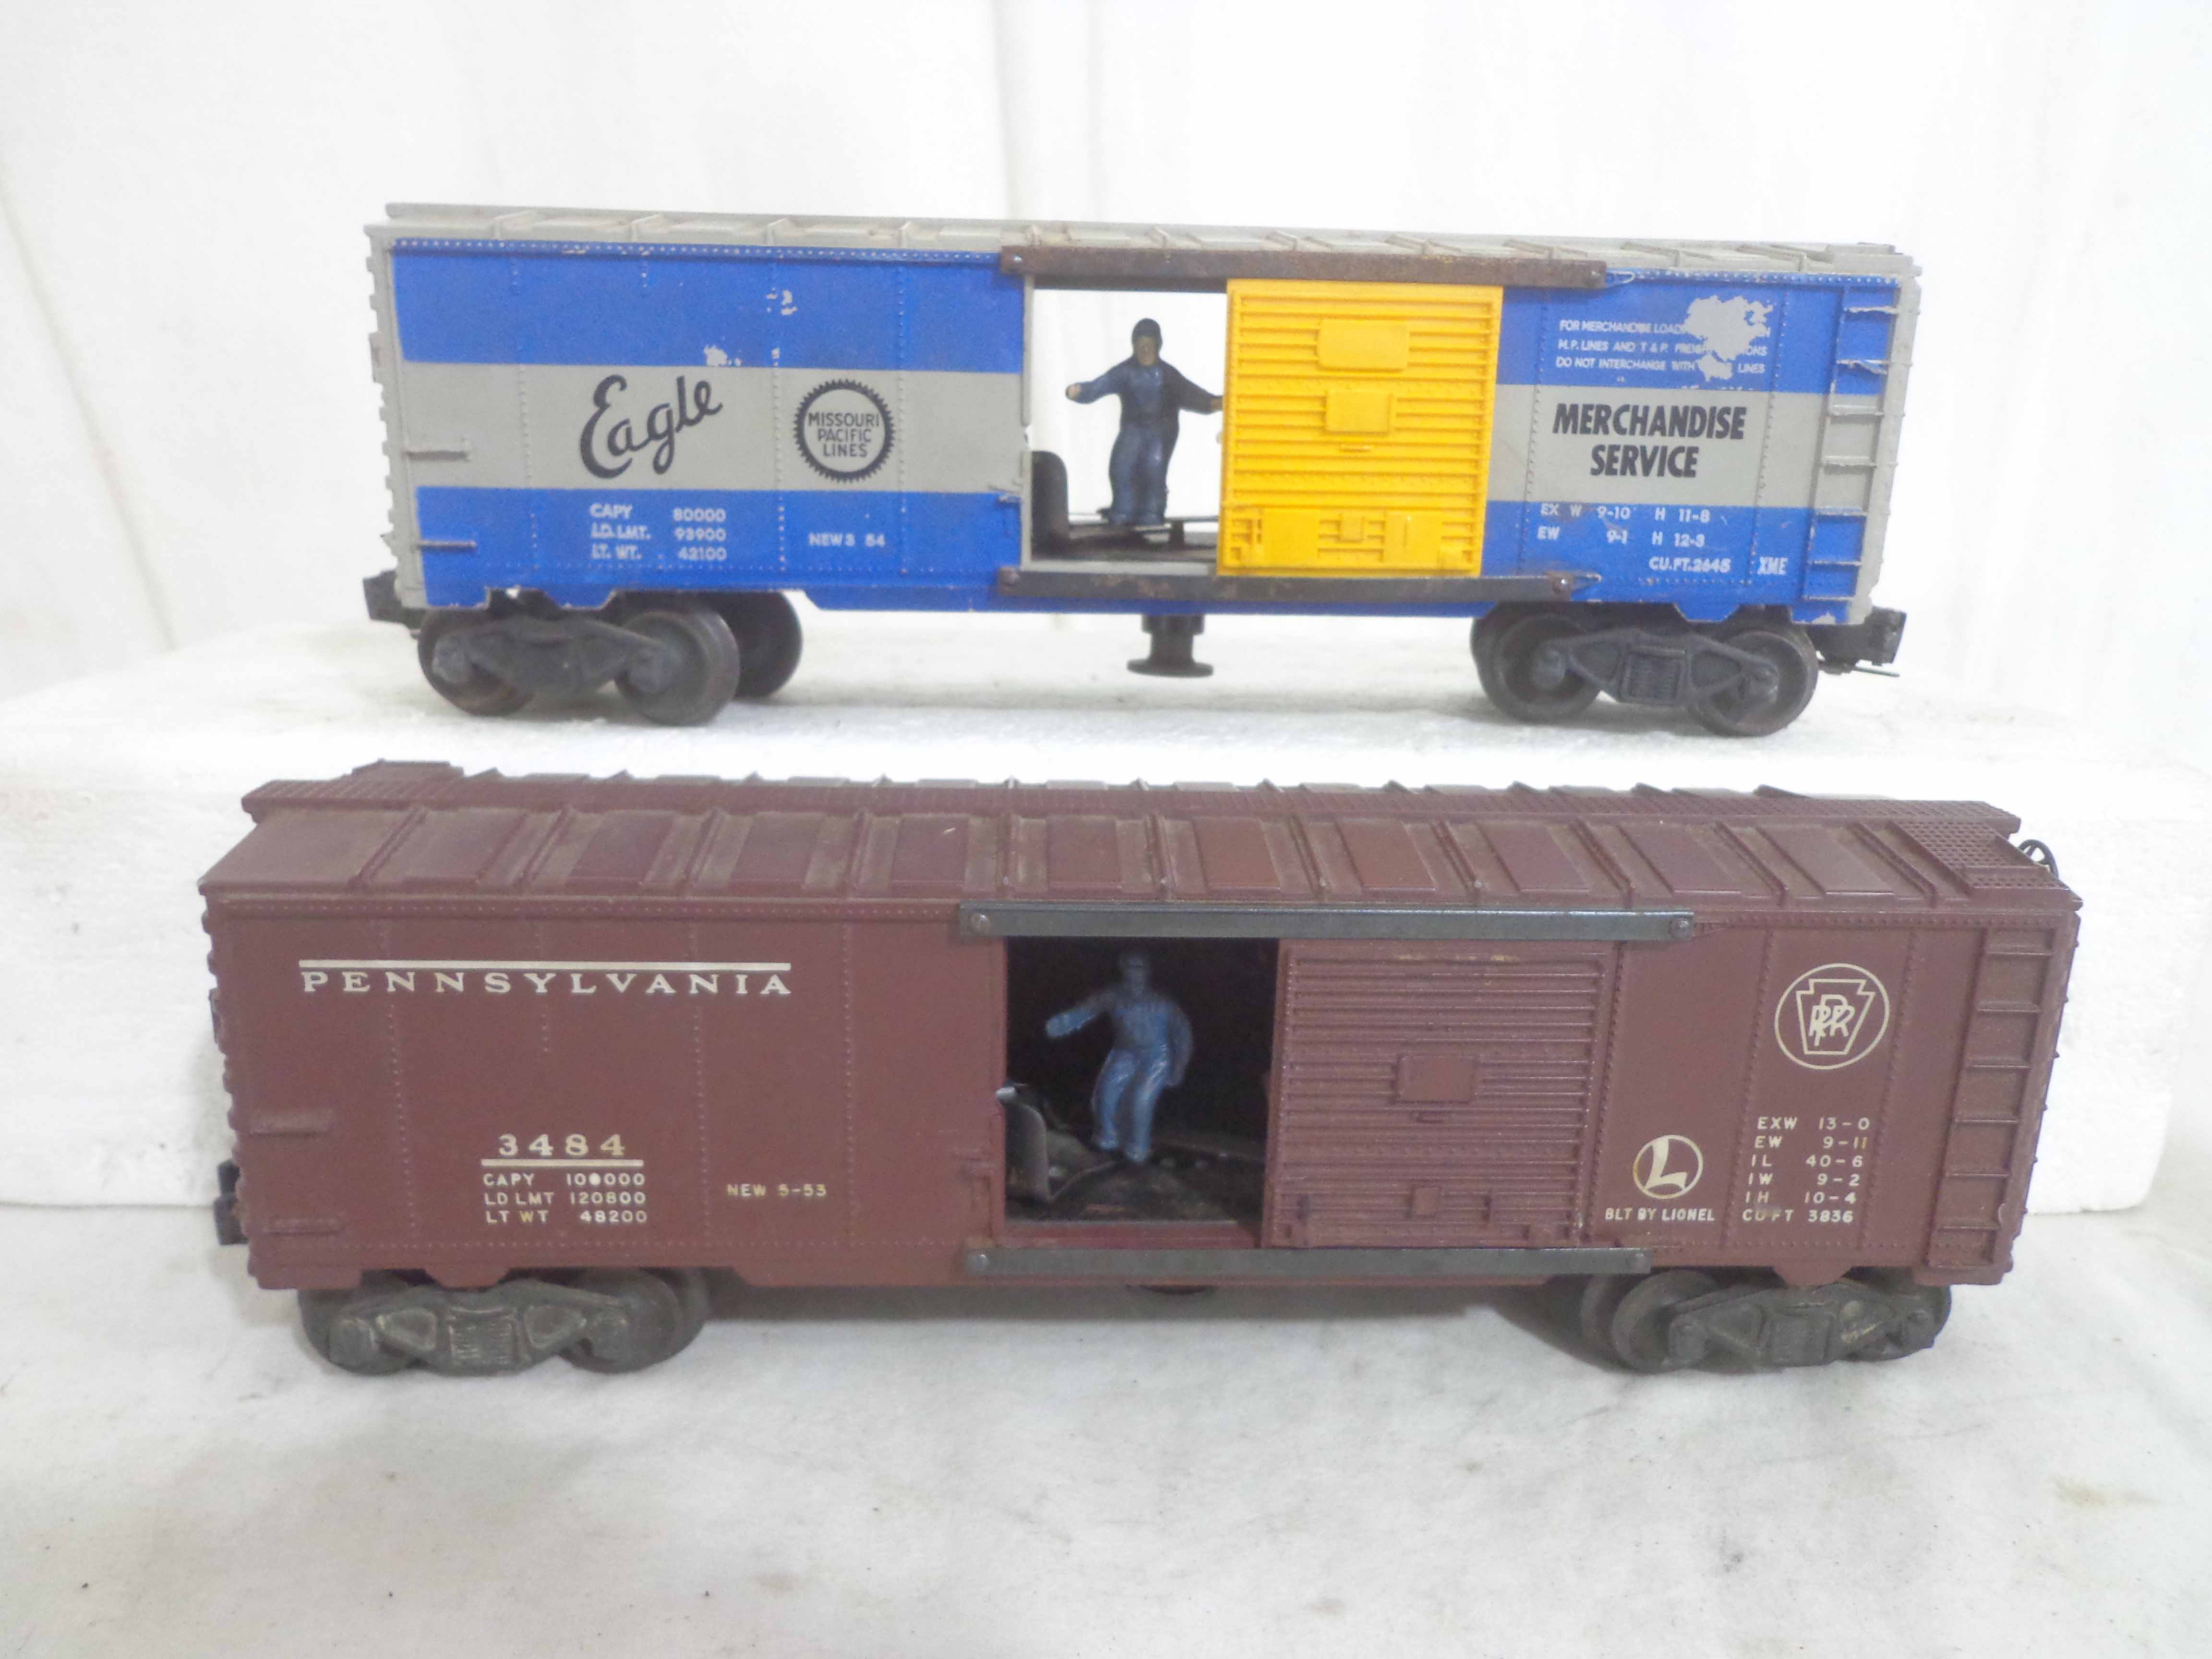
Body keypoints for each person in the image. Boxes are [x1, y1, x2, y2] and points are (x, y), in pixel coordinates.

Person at [1064, 319, 1222, 526]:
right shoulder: (1125, 371)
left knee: (1153, 467)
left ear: (1158, 346)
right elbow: (1101, 385)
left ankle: (1152, 513)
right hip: (1133, 428)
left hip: (1160, 430)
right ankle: (1123, 510)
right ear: (1134, 346)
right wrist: (1081, 391)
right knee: (1121, 465)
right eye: (1140, 345)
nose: (1145, 350)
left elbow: (1190, 394)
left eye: (1149, 345)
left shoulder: (1167, 375)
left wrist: (1213, 403)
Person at [1044, 950, 1193, 1164]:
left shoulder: (1163, 1003)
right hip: (1124, 1053)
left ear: (1148, 971)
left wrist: (1178, 1067)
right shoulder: (1113, 996)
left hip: (1155, 1057)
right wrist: (1062, 1024)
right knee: (1104, 1095)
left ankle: (1137, 1152)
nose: (1134, 972)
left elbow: (1183, 1034)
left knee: (1140, 1101)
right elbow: (1086, 1010)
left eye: (1139, 967)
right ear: (1123, 969)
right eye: (1129, 967)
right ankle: (1107, 1142)